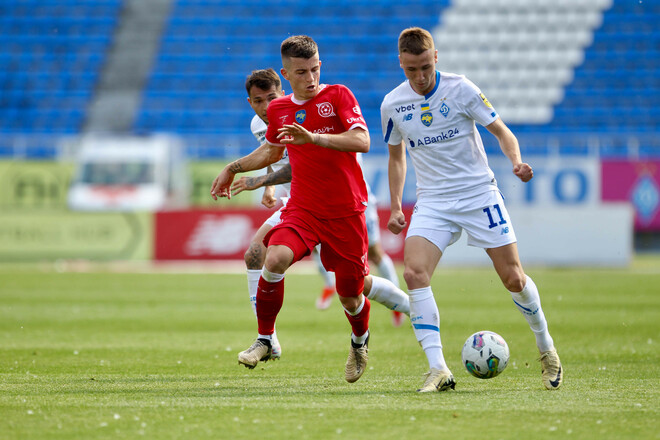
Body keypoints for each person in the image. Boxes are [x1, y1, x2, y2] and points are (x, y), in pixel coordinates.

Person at [212, 35, 409, 383]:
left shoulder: (338, 96)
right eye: (302, 72)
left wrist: (314, 138)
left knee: (351, 294)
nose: (311, 78)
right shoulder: (279, 109)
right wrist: (234, 167)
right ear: (287, 74)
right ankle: (264, 338)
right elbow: (271, 152)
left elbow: (362, 140)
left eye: (315, 69)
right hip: (303, 208)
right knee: (271, 258)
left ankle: (360, 341)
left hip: (346, 210)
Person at [382, 27, 563, 392]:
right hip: (433, 201)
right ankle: (438, 369)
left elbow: (502, 131)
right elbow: (396, 157)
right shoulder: (392, 104)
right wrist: (397, 205)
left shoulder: (461, 88)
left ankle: (546, 348)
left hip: (479, 194)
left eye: (425, 68)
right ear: (401, 64)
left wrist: (516, 161)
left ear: (436, 58)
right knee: (415, 273)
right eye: (411, 70)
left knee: (513, 278)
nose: (419, 77)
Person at [232, 156, 406, 327]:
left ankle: (402, 305)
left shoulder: (331, 129)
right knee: (261, 253)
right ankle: (266, 336)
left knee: (367, 264)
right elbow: (273, 152)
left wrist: (257, 179)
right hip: (302, 204)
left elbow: (304, 160)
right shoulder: (263, 127)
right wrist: (269, 187)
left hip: (350, 201)